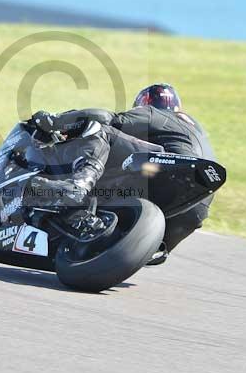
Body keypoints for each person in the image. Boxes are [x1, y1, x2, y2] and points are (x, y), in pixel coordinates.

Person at [31, 83, 216, 265]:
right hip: (197, 206)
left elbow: (110, 118)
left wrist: (55, 121)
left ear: (146, 103)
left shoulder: (157, 113)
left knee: (100, 130)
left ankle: (79, 185)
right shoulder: (197, 131)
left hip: (172, 170)